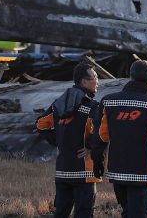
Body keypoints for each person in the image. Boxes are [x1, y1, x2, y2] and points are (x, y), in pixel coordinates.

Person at [90, 59, 147, 218]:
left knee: (127, 213)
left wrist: (96, 161)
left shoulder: (108, 101)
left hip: (116, 171)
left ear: (130, 75)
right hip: (142, 172)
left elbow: (100, 136)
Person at [36, 63, 102, 218]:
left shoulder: (59, 104)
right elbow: (104, 132)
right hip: (84, 172)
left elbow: (40, 124)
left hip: (63, 170)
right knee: (84, 213)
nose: (98, 81)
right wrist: (91, 147)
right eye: (95, 77)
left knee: (61, 214)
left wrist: (59, 141)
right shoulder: (93, 106)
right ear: (84, 82)